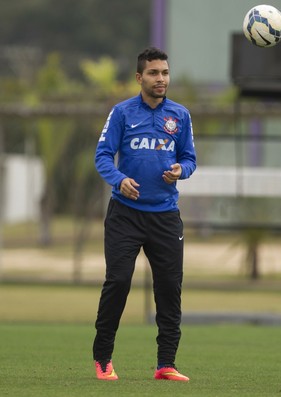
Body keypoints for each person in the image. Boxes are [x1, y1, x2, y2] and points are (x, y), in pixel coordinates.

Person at [93, 47, 196, 382]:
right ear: (140, 78)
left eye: (165, 73)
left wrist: (181, 169)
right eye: (154, 73)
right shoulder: (122, 113)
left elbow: (190, 159)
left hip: (165, 216)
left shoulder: (180, 115)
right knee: (119, 280)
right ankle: (103, 358)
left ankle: (166, 364)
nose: (161, 79)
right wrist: (120, 180)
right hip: (125, 215)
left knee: (169, 288)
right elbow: (104, 156)